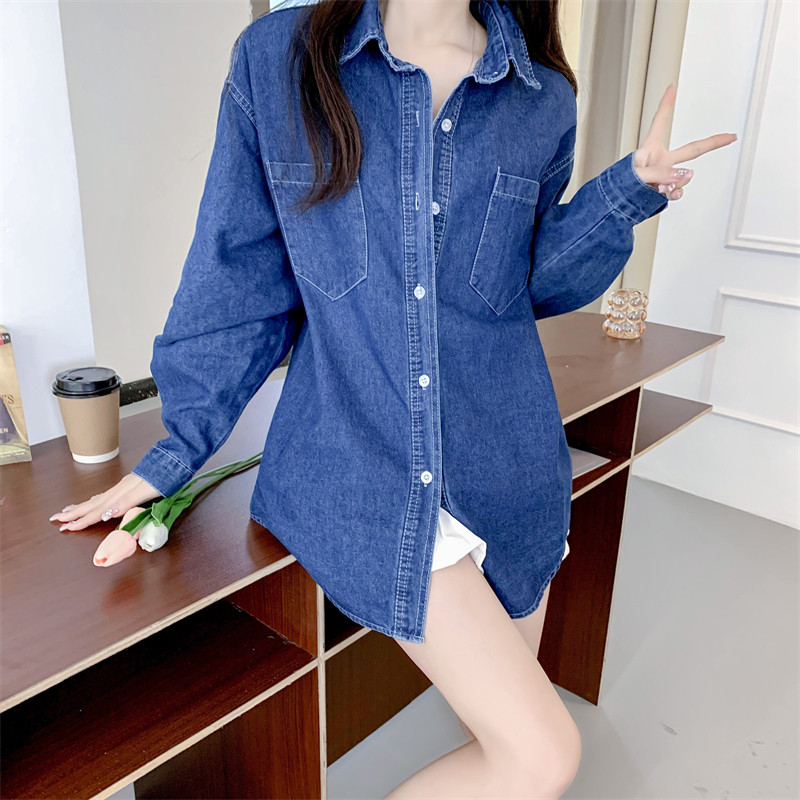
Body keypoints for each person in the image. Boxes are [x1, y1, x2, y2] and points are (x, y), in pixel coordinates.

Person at [49, 0, 737, 796]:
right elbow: (234, 277)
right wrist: (174, 453)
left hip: (507, 460)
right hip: (362, 465)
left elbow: (528, 283)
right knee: (540, 755)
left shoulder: (540, 95)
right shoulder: (279, 60)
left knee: (503, 745)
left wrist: (626, 192)